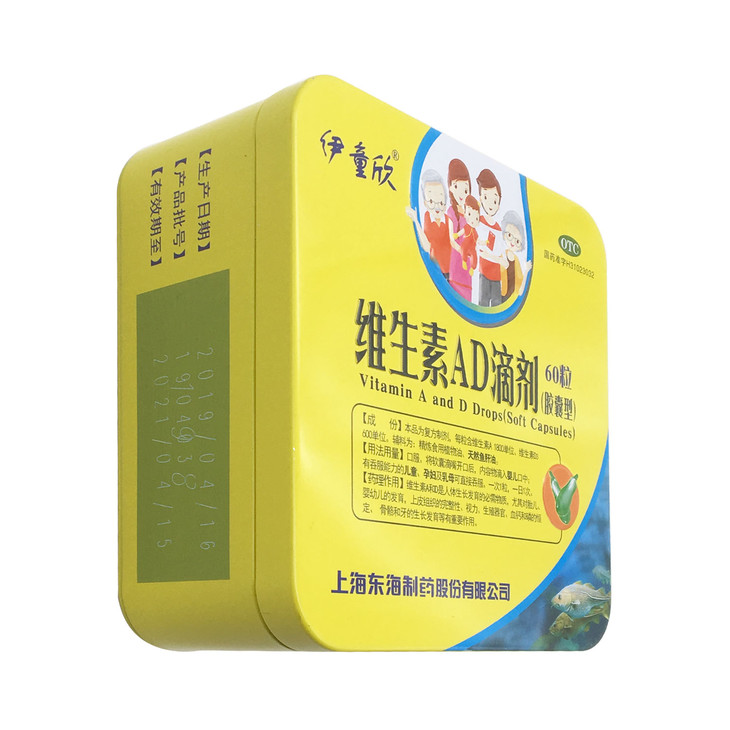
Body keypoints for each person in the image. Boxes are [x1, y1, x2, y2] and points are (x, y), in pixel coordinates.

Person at [405, 169, 453, 280]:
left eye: (441, 202)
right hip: (434, 272)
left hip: (451, 271)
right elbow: (426, 247)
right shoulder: (426, 220)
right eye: (431, 202)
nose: (437, 207)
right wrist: (415, 221)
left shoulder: (448, 220)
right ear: (425, 203)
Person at [475, 168, 506, 307]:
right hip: (484, 272)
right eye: (486, 198)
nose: (491, 204)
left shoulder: (499, 228)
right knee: (483, 302)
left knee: (496, 303)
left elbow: (500, 251)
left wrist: (498, 259)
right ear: (481, 198)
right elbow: (480, 249)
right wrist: (497, 259)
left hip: (496, 274)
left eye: (495, 200)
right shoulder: (479, 221)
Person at [499, 210, 532, 301]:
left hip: (512, 300)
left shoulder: (517, 261)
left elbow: (520, 290)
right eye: (509, 235)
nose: (513, 243)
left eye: (517, 241)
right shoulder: (501, 254)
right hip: (499, 296)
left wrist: (526, 271)